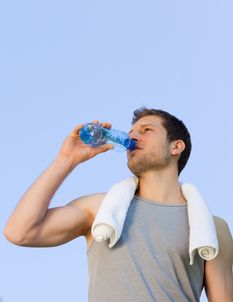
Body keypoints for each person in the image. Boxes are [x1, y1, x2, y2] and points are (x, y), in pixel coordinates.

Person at [3, 107, 233, 301]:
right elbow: (19, 232)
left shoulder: (212, 228)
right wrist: (67, 159)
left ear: (176, 147)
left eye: (147, 131)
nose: (133, 136)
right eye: (131, 132)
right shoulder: (101, 209)